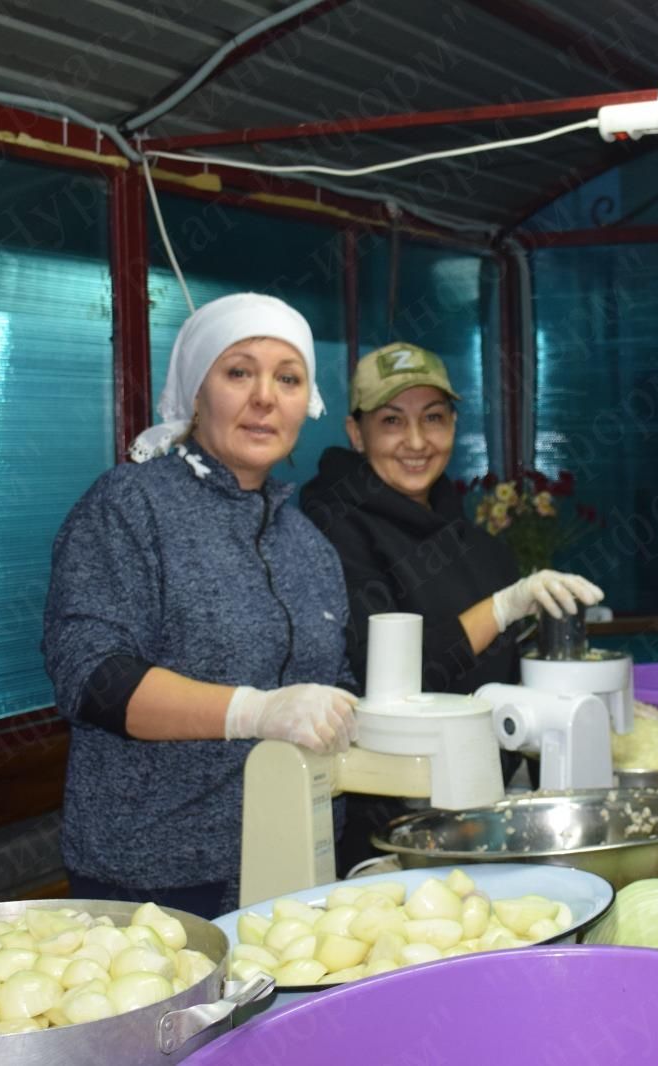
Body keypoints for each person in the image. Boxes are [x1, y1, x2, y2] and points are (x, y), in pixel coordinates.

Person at [42, 293, 358, 919]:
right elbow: (91, 678)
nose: (265, 397)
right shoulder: (130, 507)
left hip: (298, 865)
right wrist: (252, 710)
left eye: (288, 379)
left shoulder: (309, 545)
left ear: (306, 405)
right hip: (156, 888)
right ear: (194, 392)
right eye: (239, 371)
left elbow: (334, 692)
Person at [299, 342, 603, 870]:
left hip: (479, 814)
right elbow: (385, 676)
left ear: (454, 425)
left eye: (433, 419)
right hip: (386, 837)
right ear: (355, 432)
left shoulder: (474, 543)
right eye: (392, 421)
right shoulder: (329, 528)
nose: (416, 441)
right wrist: (504, 608)